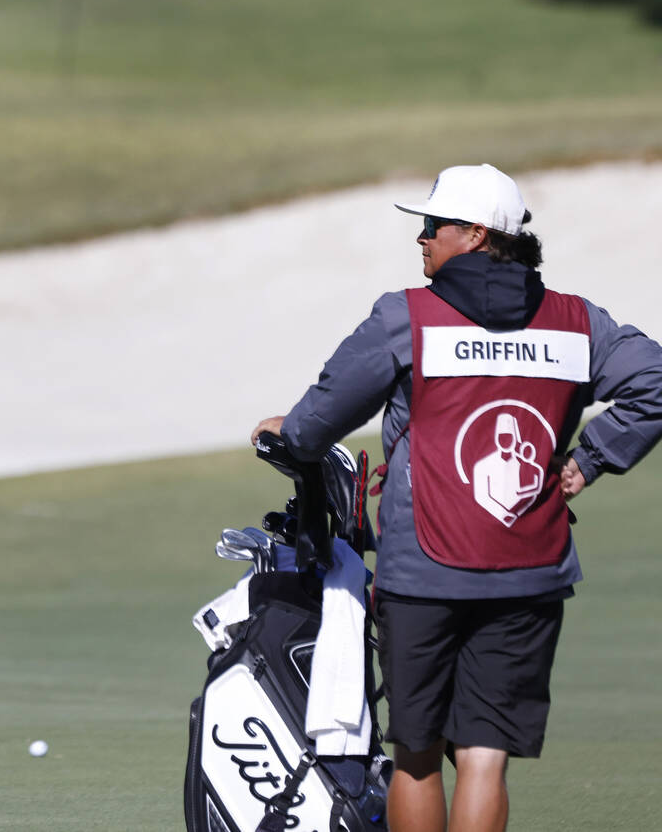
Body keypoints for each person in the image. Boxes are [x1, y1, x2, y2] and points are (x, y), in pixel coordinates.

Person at [250, 163, 662, 832]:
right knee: (485, 756)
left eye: (433, 226)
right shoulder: (577, 322)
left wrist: (287, 434)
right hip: (531, 568)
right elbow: (656, 382)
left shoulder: (406, 316)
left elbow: (320, 417)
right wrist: (589, 460)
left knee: (417, 753)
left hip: (423, 573)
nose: (422, 238)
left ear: (473, 234)